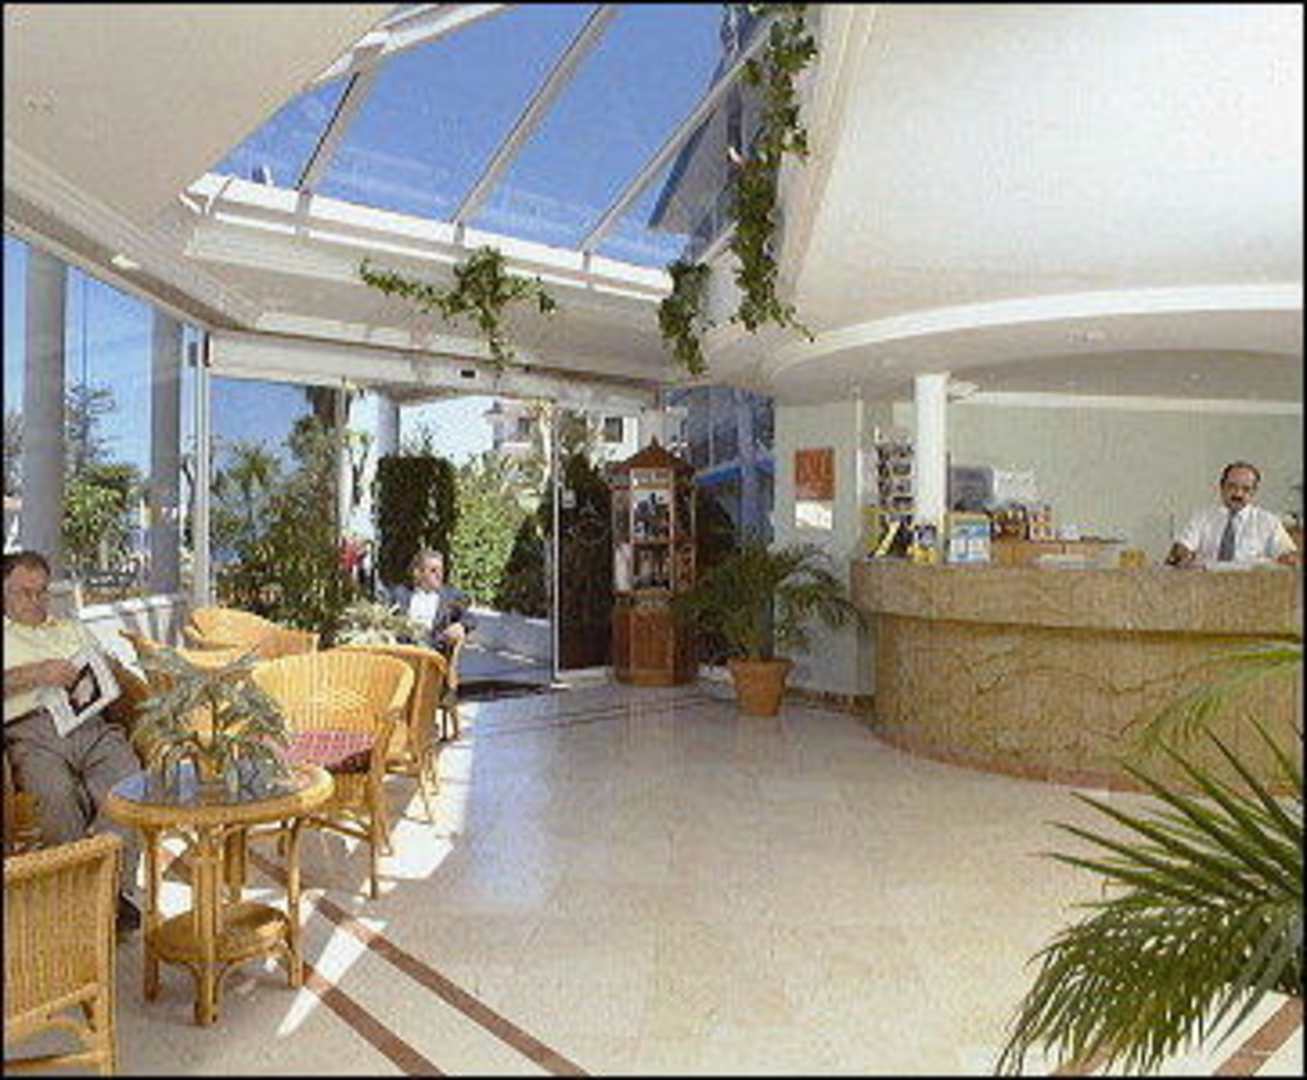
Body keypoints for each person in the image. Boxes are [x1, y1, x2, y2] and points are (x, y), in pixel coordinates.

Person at [3, 550, 143, 933]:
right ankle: (81, 897)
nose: (35, 601)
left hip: (90, 725)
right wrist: (37, 673)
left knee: (128, 788)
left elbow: (110, 669)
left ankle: (108, 893)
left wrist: (108, 673)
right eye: (24, 593)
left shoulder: (71, 629)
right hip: (33, 732)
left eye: (42, 592)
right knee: (55, 796)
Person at [1165, 461, 1299, 568]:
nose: (1238, 494)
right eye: (1232, 486)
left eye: (1246, 489)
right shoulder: (1202, 517)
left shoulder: (1268, 522)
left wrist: (1287, 558)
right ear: (1222, 487)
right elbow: (1182, 547)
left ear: (1254, 492)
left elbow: (1288, 554)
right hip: (1206, 585)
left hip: (1252, 586)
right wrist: (1182, 553)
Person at [386, 548, 476, 656]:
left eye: (441, 570)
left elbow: (470, 618)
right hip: (402, 651)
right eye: (433, 570)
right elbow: (384, 616)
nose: (439, 575)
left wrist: (461, 626)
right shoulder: (400, 593)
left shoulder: (450, 596)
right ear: (418, 573)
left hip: (434, 653)